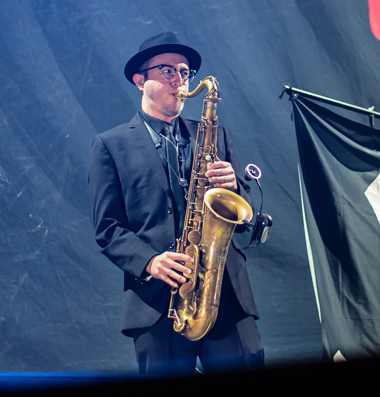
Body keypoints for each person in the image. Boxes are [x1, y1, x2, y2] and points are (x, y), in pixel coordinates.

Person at [89, 31, 264, 374]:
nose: (180, 80)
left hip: (224, 295)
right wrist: (150, 261)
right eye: (167, 71)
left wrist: (236, 188)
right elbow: (107, 229)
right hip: (158, 302)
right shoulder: (109, 145)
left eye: (185, 73)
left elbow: (243, 217)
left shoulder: (215, 135)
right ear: (140, 81)